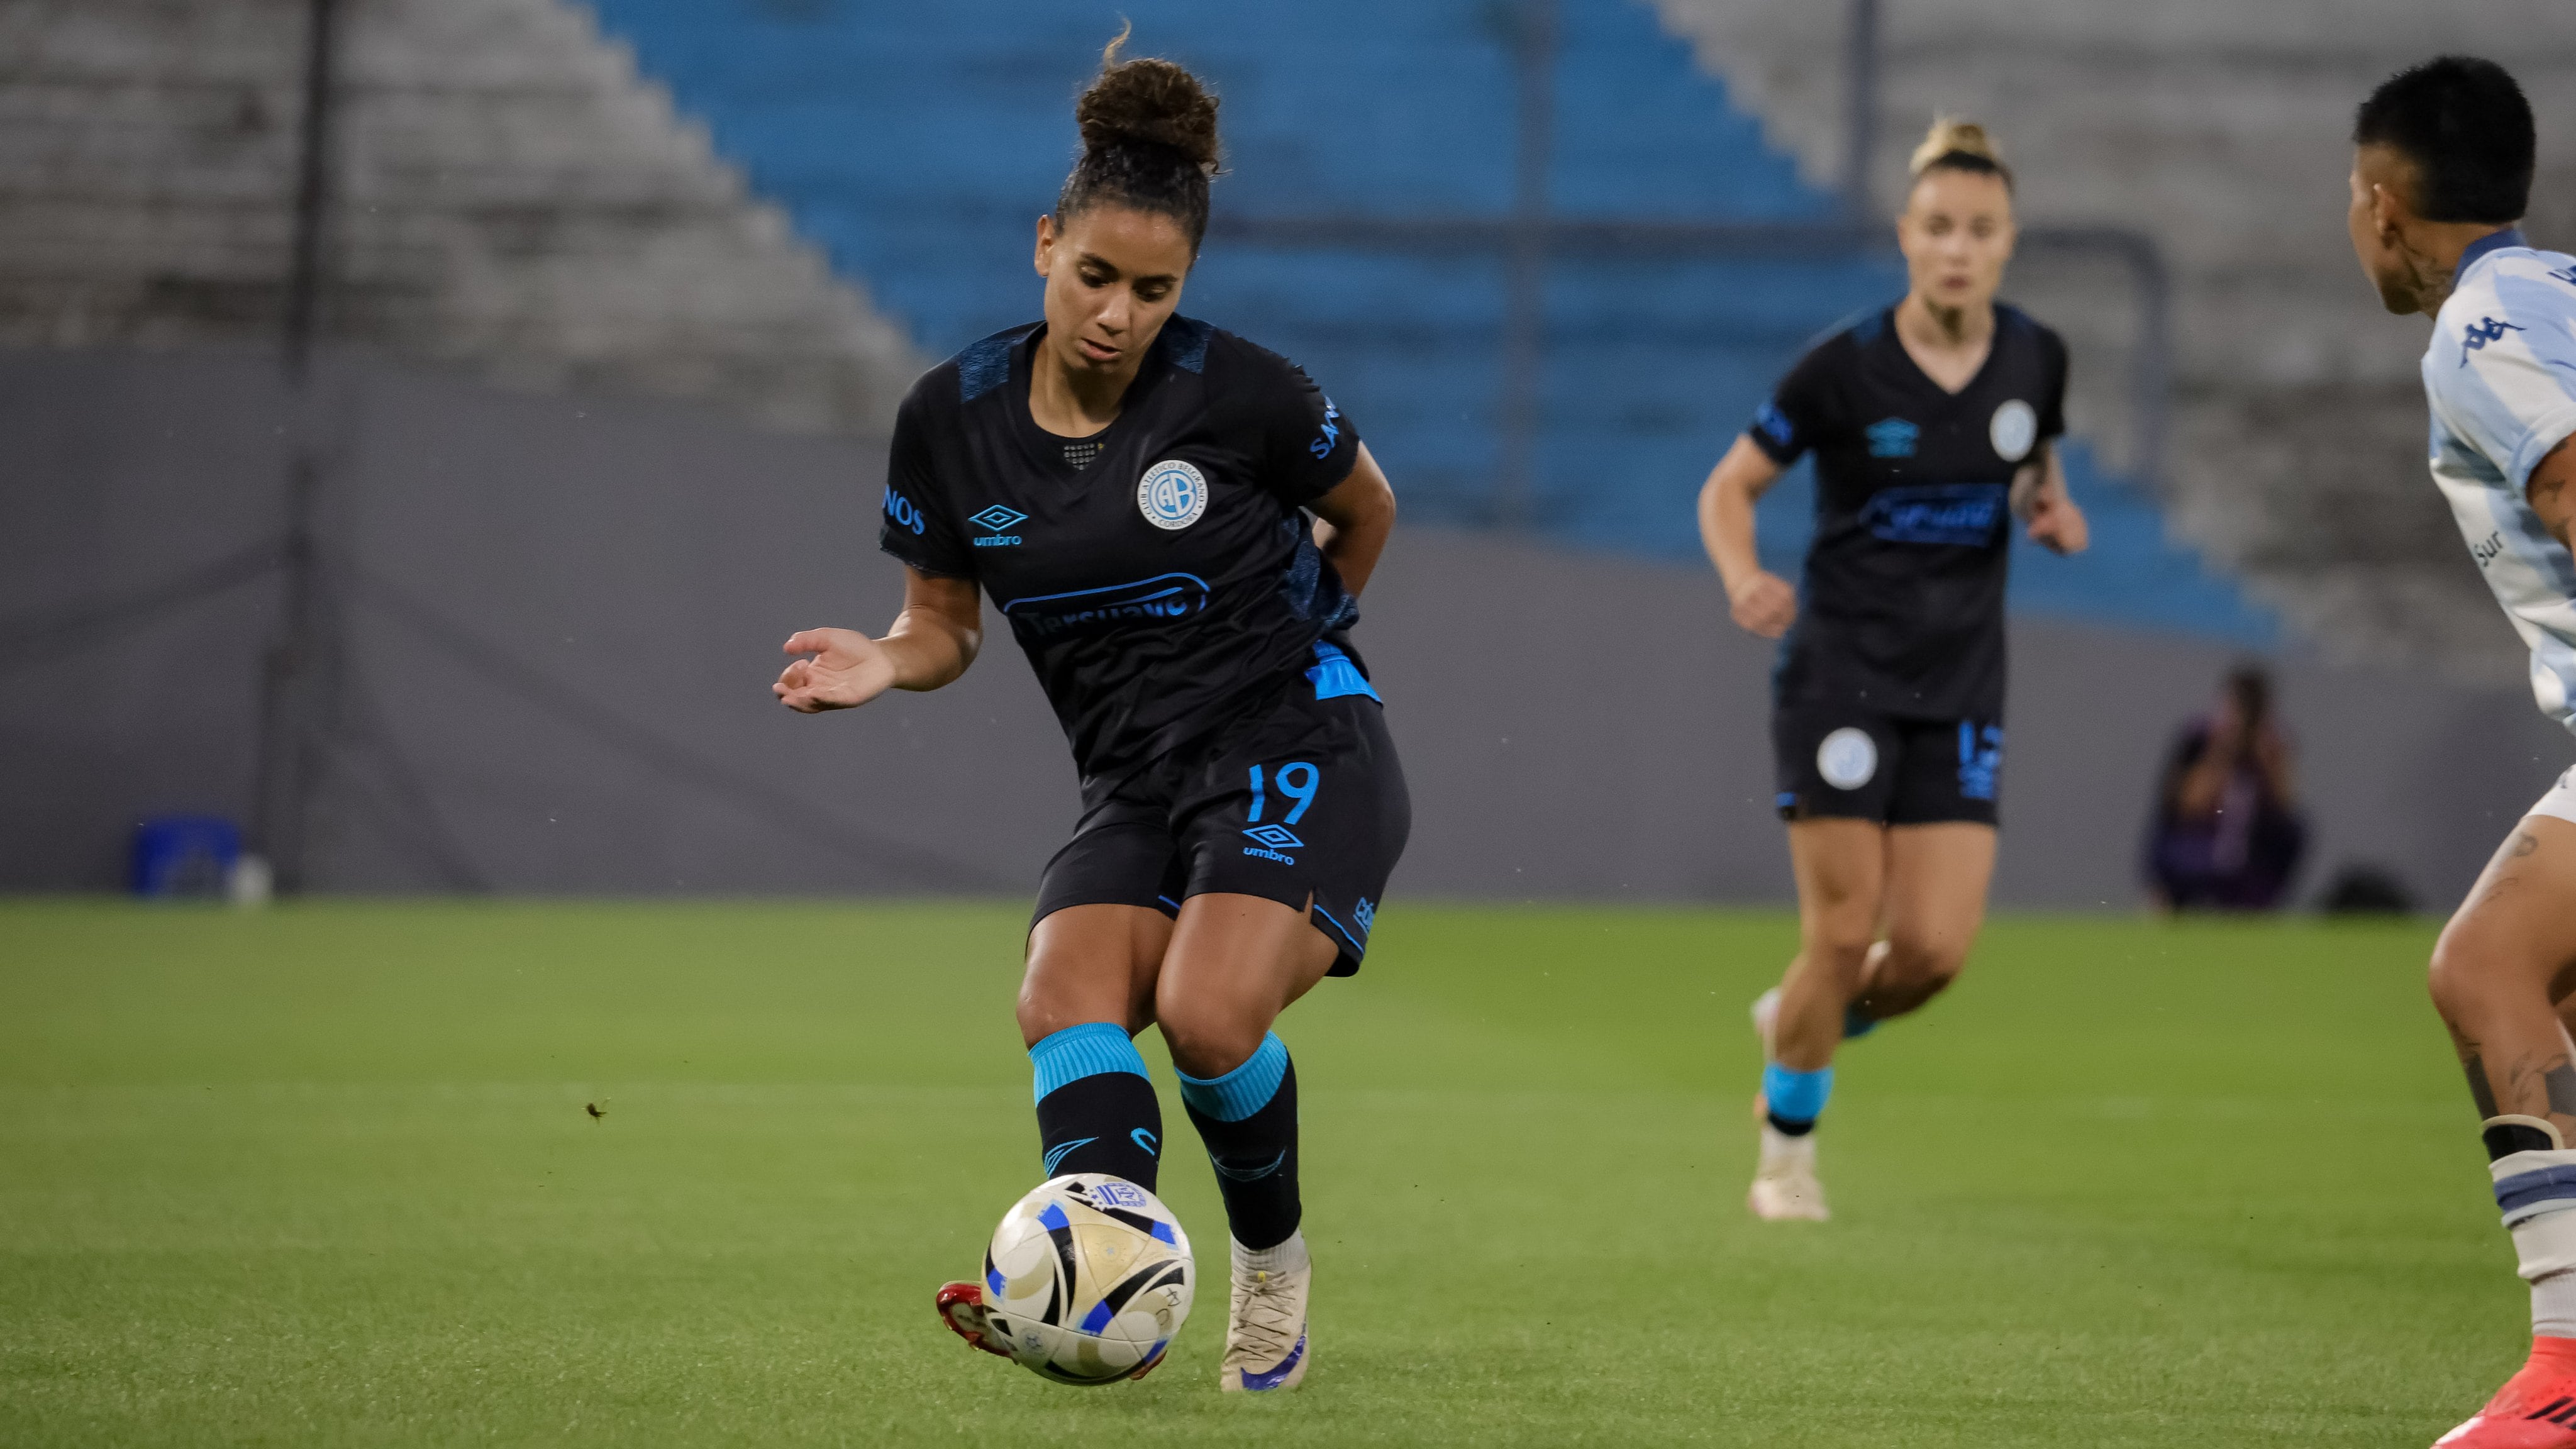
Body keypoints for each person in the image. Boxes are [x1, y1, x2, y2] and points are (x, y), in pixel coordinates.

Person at [772, 35, 1407, 1394]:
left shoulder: (1242, 395)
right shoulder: (949, 421)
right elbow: (942, 625)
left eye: (1154, 289)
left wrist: (1311, 642)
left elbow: (1367, 509)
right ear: (1045, 245)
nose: (1119, 312)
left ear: (1186, 287)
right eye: (1097, 276)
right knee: (1060, 1002)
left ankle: (1271, 1272)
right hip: (1134, 781)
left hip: (1297, 744)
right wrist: (886, 662)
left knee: (1206, 1019)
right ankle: (1092, 1283)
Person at [1696, 117, 2089, 1221]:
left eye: (1980, 229)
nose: (1957, 247)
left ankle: (1806, 1014)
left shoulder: (2035, 357)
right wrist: (1740, 574)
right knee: (1839, 928)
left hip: (1962, 684)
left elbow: (2030, 460)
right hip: (1841, 678)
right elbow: (1728, 487)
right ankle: (1785, 1157)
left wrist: (2049, 504)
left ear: (2008, 241)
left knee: (1926, 953)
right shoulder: (1842, 368)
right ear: (1906, 238)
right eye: (1937, 228)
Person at [2343, 56, 2576, 1448]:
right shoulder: (2557, 289)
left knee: (2482, 970)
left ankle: (2560, 1375)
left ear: (2379, 208)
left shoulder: (2478, 330)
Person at [2144, 664, 2307, 911]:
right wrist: (2221, 753)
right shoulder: (2200, 739)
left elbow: (2285, 806)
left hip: (2250, 850)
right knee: (2164, 838)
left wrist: (2266, 759)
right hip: (2197, 844)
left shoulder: (2273, 746)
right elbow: (2187, 806)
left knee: (2298, 830)